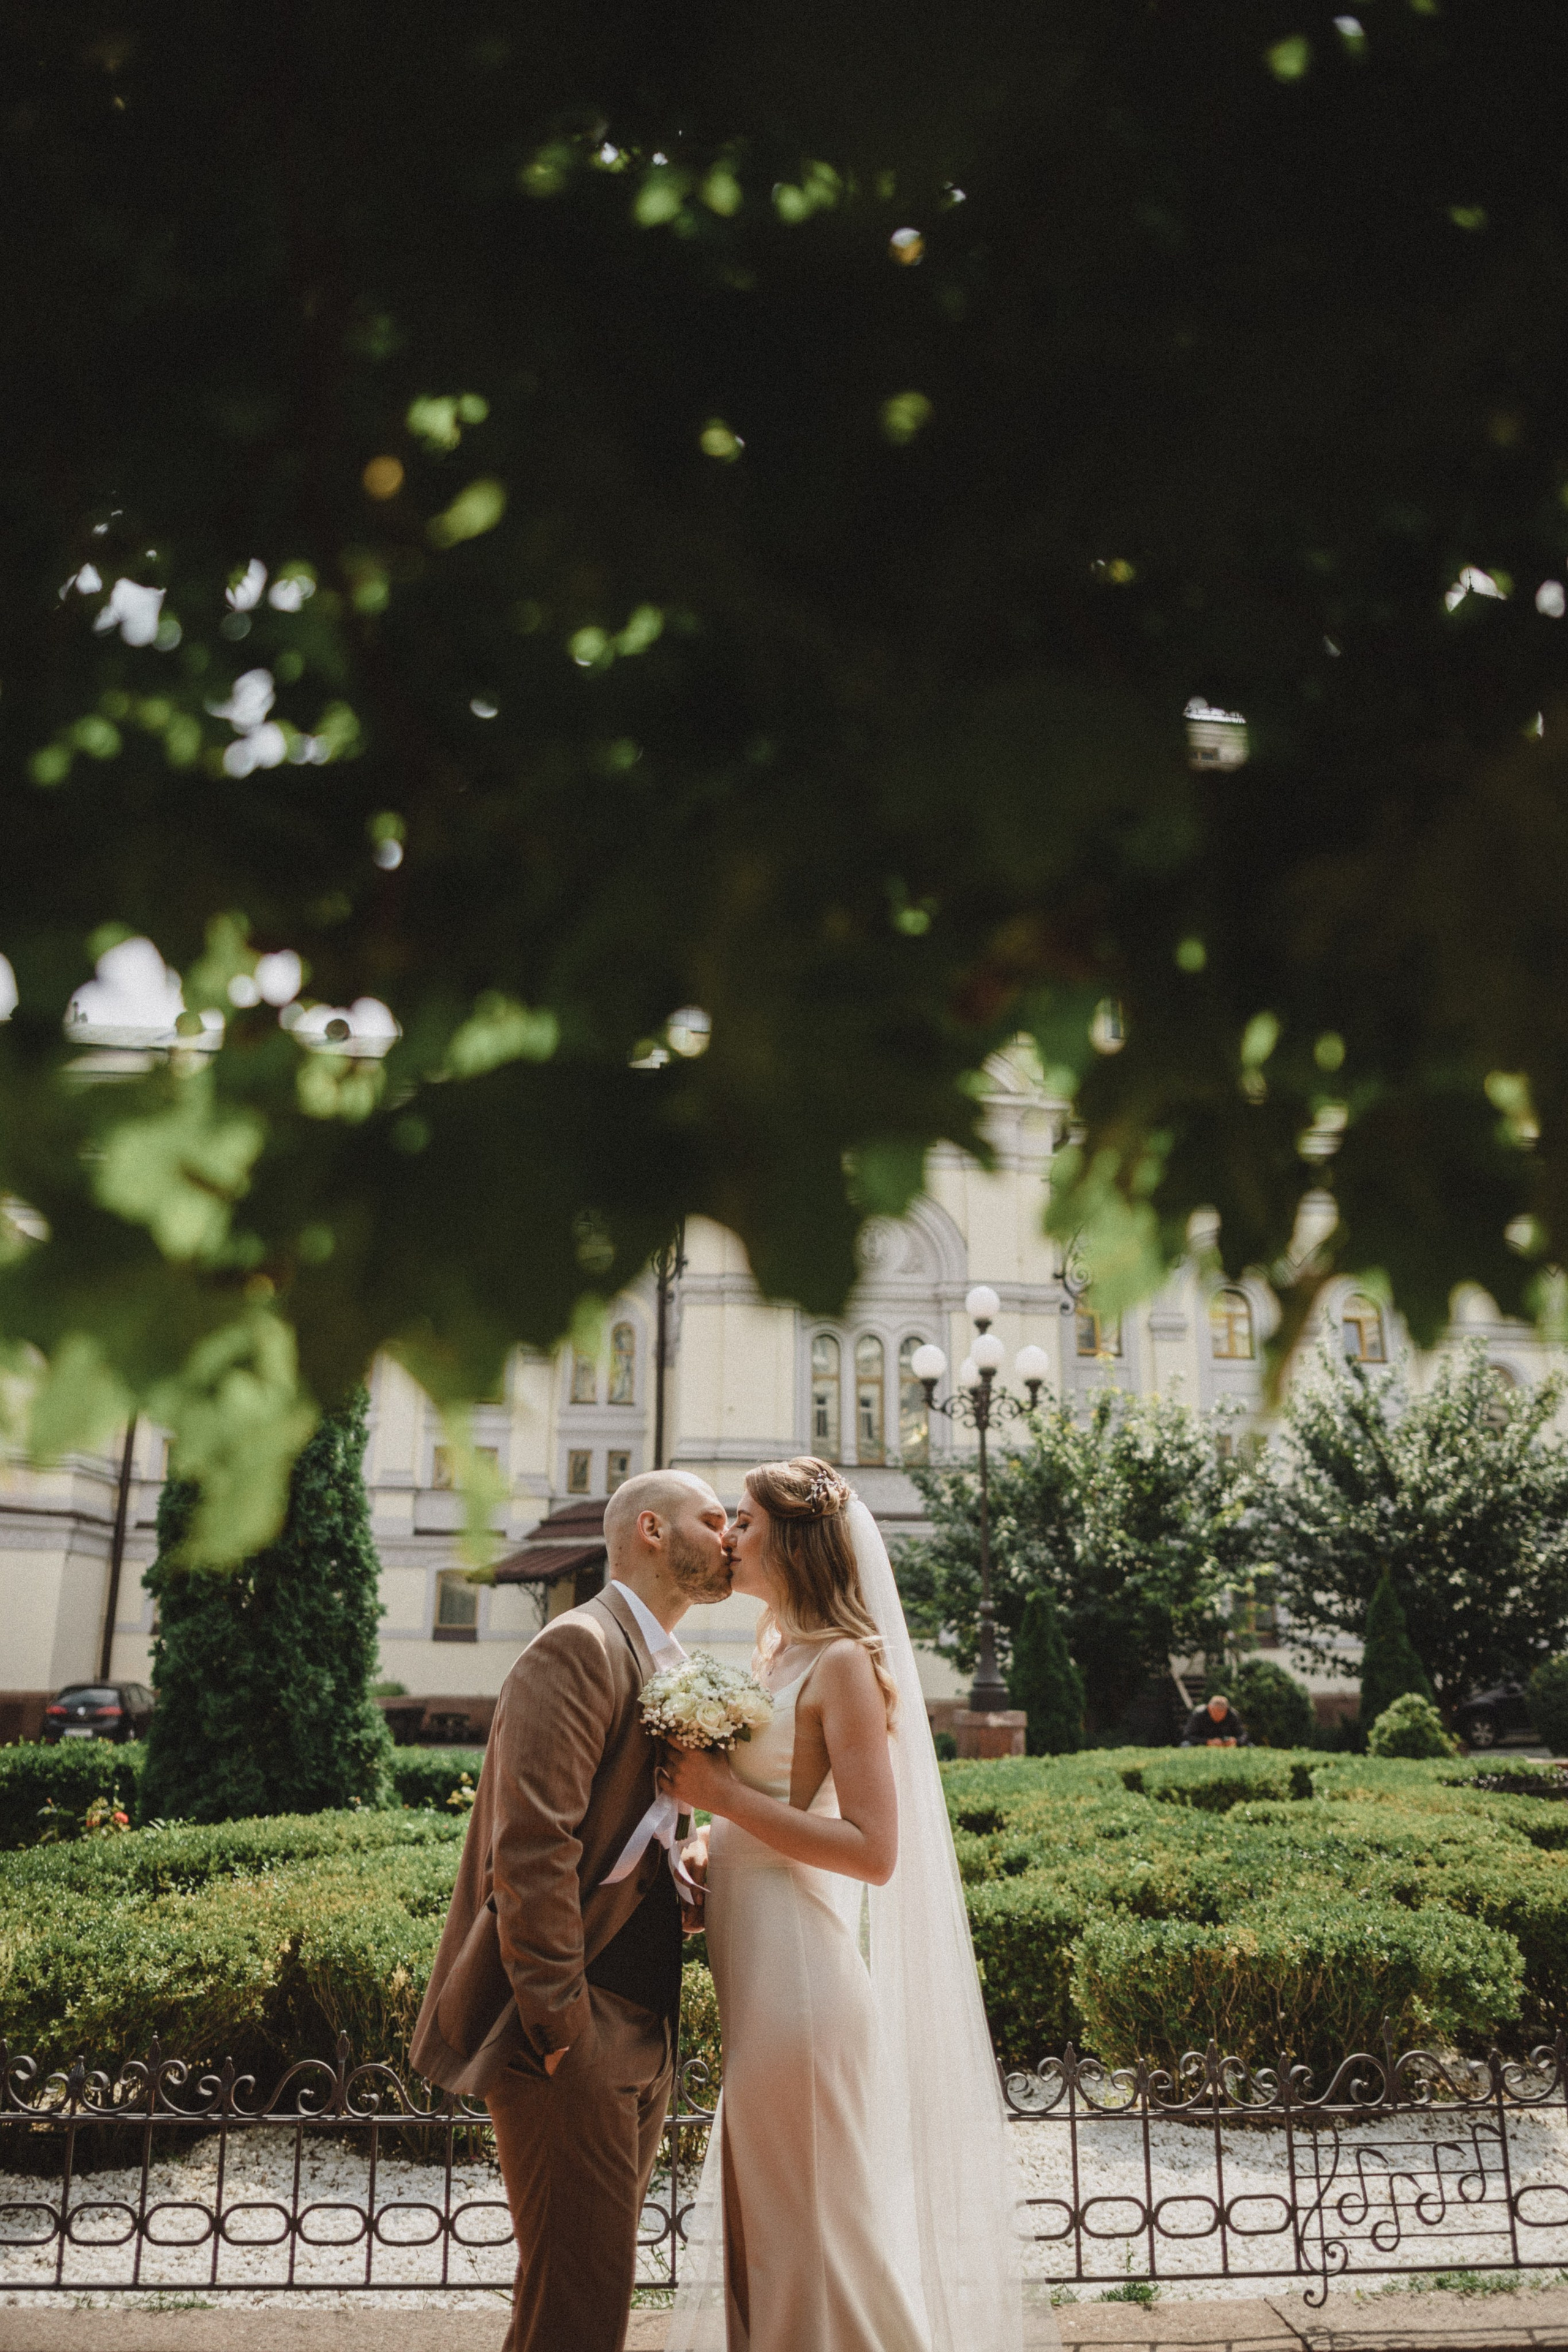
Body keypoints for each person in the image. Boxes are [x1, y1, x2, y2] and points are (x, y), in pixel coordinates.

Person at [663, 1457, 1055, 2352]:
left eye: (746, 1523)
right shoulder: (774, 1655)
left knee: (815, 2246)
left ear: (794, 1541)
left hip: (801, 1988)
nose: (729, 1537)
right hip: (757, 1982)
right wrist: (705, 1847)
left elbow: (875, 1852)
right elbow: (775, 1814)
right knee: (780, 2240)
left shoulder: (841, 1663)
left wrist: (722, 1804)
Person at [409, 1468, 731, 2352]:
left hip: (642, 2019)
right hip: (573, 2026)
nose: (732, 1536)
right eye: (714, 1519)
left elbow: (633, 1828)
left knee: (573, 2300)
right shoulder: (579, 1646)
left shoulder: (663, 1661)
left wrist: (693, 1861)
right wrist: (560, 2027)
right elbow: (531, 1849)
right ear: (653, 1532)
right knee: (582, 2310)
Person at [1181, 1690, 1250, 1747]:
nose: (1219, 1717)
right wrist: (1207, 1742)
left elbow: (1243, 1735)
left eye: (1222, 1714)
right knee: (1186, 1745)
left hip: (1226, 1744)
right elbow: (1187, 1736)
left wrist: (1235, 1741)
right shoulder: (1198, 1714)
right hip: (1203, 1742)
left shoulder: (1233, 1715)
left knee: (1250, 1746)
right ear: (1209, 1709)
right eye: (1215, 1713)